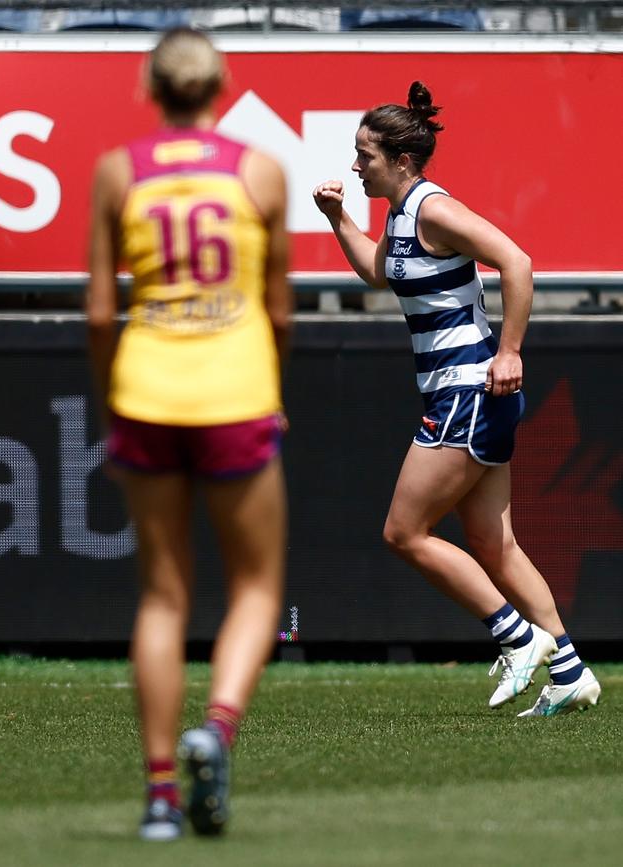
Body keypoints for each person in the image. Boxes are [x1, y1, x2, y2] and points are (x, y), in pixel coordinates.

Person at [313, 81, 601, 719]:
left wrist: (511, 351)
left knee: (403, 532)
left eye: (366, 156)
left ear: (402, 162)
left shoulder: (432, 208)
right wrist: (338, 220)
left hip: (468, 391)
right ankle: (571, 670)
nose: (356, 165)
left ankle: (517, 637)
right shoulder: (402, 212)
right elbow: (377, 271)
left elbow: (517, 263)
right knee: (494, 544)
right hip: (471, 396)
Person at [86, 27, 292, 841]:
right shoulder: (261, 170)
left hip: (147, 388)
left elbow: (102, 311)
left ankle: (161, 795)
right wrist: (274, 385)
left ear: (150, 88)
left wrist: (111, 397)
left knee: (162, 594)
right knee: (255, 587)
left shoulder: (115, 170)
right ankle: (220, 727)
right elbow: (279, 309)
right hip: (236, 389)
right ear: (220, 85)